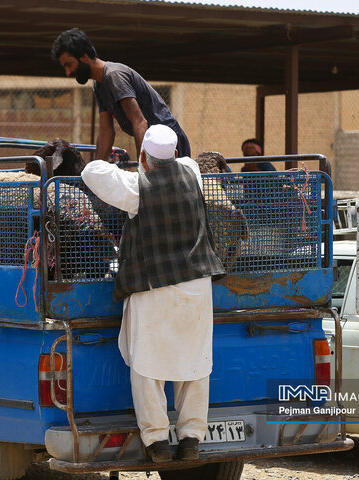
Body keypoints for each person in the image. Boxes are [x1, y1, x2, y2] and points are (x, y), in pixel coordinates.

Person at [81, 125, 225, 463]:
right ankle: (190, 440)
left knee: (148, 367)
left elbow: (92, 171)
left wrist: (134, 167)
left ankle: (158, 442)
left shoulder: (135, 188)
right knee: (196, 362)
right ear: (174, 155)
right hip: (196, 286)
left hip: (154, 288)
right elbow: (185, 161)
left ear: (143, 156)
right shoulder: (192, 173)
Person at [52, 28, 191, 162]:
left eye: (69, 65)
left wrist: (142, 169)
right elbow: (106, 131)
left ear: (84, 57)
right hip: (152, 147)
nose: (68, 72)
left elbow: (140, 122)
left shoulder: (114, 75)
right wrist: (96, 171)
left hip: (168, 144)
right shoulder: (99, 85)